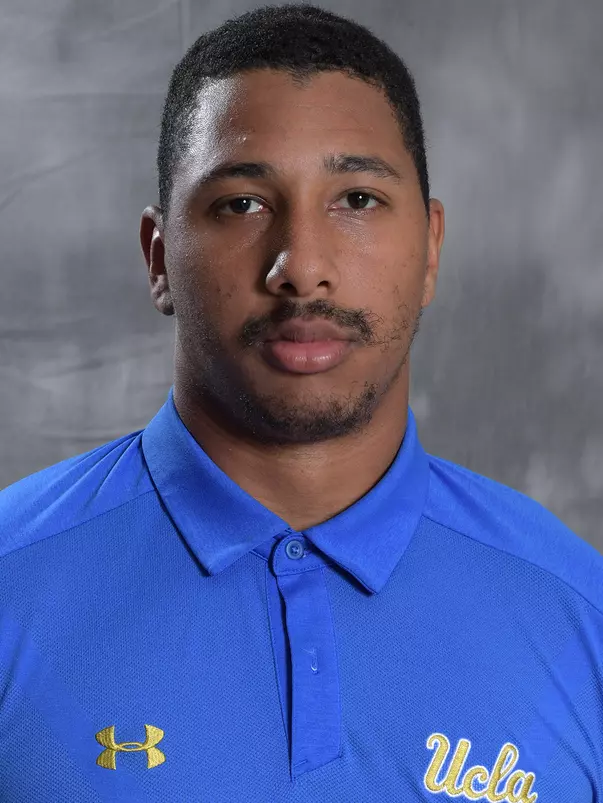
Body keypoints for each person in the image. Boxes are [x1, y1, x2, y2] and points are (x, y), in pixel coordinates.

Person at [0, 4, 601, 801]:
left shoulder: (578, 609)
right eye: (241, 203)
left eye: (357, 198)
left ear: (429, 249)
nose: (301, 266)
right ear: (158, 258)